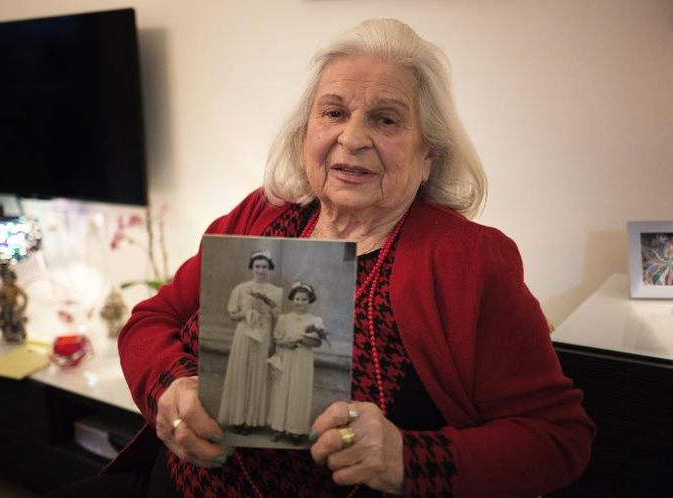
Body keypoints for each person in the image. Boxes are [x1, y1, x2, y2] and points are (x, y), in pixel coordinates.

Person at [47, 18, 594, 498]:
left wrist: (407, 458)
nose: (351, 138)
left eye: (386, 119)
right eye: (333, 111)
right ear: (305, 131)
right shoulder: (260, 216)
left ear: (428, 155)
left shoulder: (471, 261)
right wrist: (173, 389)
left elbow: (558, 438)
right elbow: (151, 319)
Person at [217, 250, 282, 435]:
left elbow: (278, 314)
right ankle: (237, 418)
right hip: (244, 335)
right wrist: (245, 314)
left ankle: (252, 420)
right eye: (257, 266)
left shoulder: (275, 291)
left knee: (258, 373)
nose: (260, 270)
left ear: (269, 269)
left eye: (264, 267)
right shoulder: (241, 289)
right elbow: (232, 315)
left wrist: (266, 301)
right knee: (241, 372)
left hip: (263, 336)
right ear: (252, 267)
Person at [267, 282, 325, 444]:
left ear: (309, 301)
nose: (300, 302)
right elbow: (277, 339)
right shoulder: (284, 319)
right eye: (298, 299)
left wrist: (301, 339)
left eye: (304, 299)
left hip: (302, 360)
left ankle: (296, 431)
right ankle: (279, 428)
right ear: (293, 299)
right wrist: (287, 343)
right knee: (281, 391)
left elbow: (317, 343)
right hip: (285, 357)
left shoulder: (316, 321)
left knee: (299, 392)